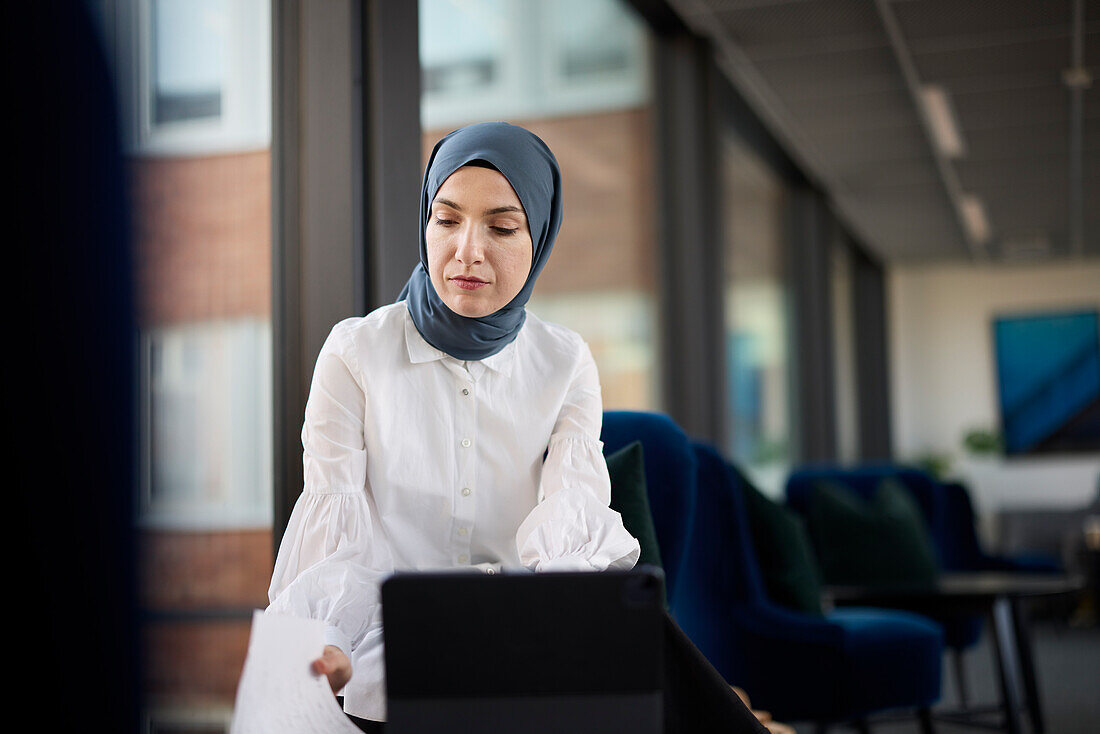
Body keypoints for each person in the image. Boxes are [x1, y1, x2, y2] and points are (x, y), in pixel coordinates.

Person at [267, 121, 773, 733]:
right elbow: (334, 537)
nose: (467, 251)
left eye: (502, 228)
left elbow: (570, 548)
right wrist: (330, 645)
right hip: (386, 647)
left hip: (522, 647)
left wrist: (555, 647)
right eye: (446, 220)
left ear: (540, 238)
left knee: (662, 664)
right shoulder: (355, 353)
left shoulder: (565, 362)